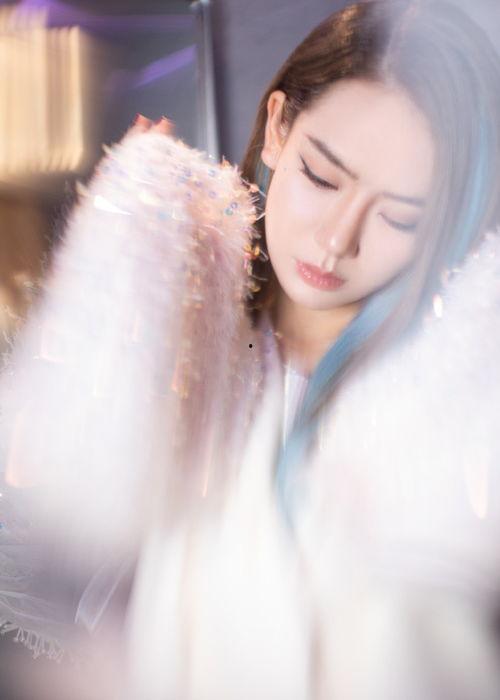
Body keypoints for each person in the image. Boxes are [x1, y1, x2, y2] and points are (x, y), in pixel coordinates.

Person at [1, 1, 500, 698]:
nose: (337, 240)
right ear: (277, 127)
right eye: (322, 177)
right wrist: (129, 263)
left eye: (399, 216)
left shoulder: (451, 412)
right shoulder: (190, 352)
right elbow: (58, 534)